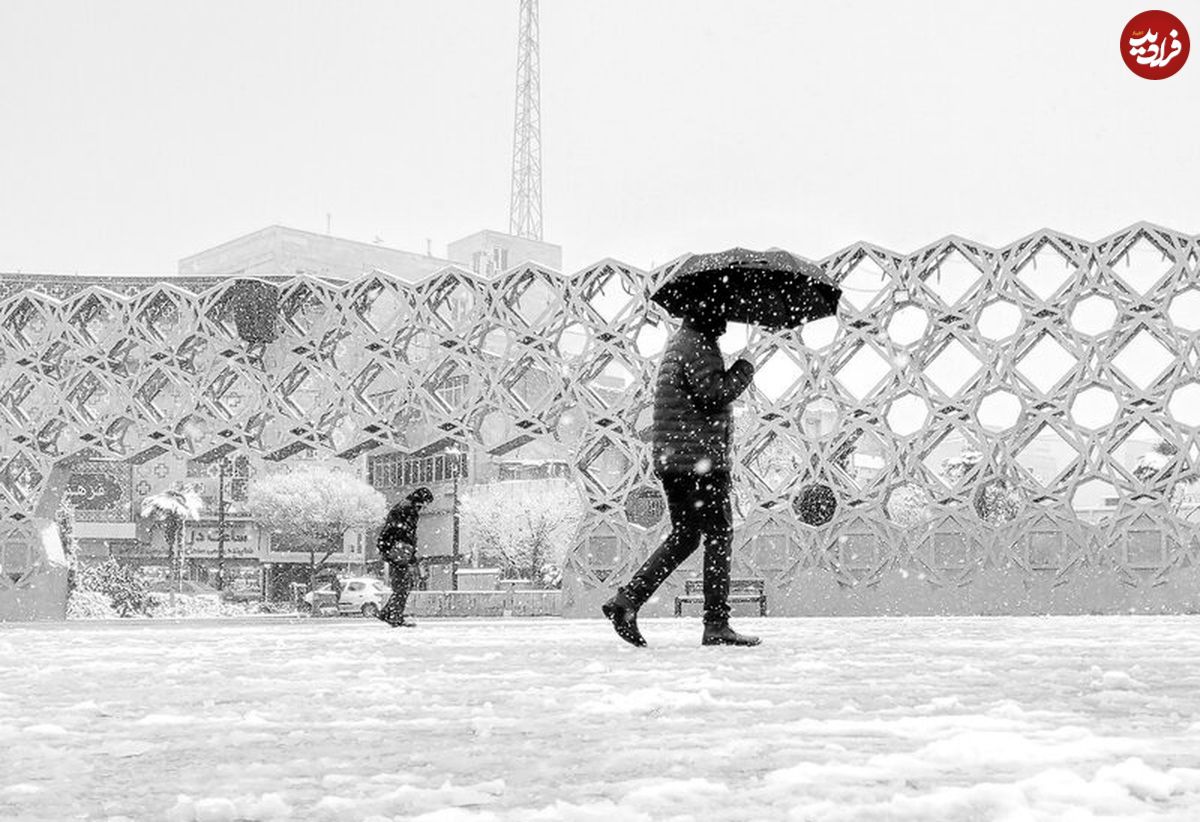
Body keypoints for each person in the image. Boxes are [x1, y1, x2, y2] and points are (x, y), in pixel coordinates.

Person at [602, 312, 762, 647]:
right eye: (722, 313)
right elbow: (714, 393)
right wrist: (745, 366)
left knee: (687, 535)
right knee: (719, 535)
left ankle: (628, 602)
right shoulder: (698, 343)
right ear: (709, 309)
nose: (726, 322)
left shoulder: (682, 341)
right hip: (698, 460)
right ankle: (716, 624)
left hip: (675, 459)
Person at [376, 487, 434, 628]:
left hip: (396, 549)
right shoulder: (408, 510)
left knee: (404, 583)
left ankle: (388, 612)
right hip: (398, 550)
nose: (425, 507)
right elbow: (405, 533)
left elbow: (396, 529)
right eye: (426, 502)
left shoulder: (405, 507)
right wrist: (409, 551)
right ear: (421, 499)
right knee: (403, 585)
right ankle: (394, 616)